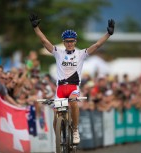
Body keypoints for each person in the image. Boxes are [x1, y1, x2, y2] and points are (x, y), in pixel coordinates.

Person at [29, 13, 115, 144]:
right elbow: (44, 41)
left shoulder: (81, 54)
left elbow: (97, 45)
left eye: (72, 41)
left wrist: (108, 34)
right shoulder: (58, 52)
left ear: (75, 42)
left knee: (74, 102)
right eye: (67, 41)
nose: (69, 43)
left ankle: (75, 130)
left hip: (73, 88)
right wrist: (36, 28)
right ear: (64, 42)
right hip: (60, 89)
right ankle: (59, 137)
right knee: (55, 116)